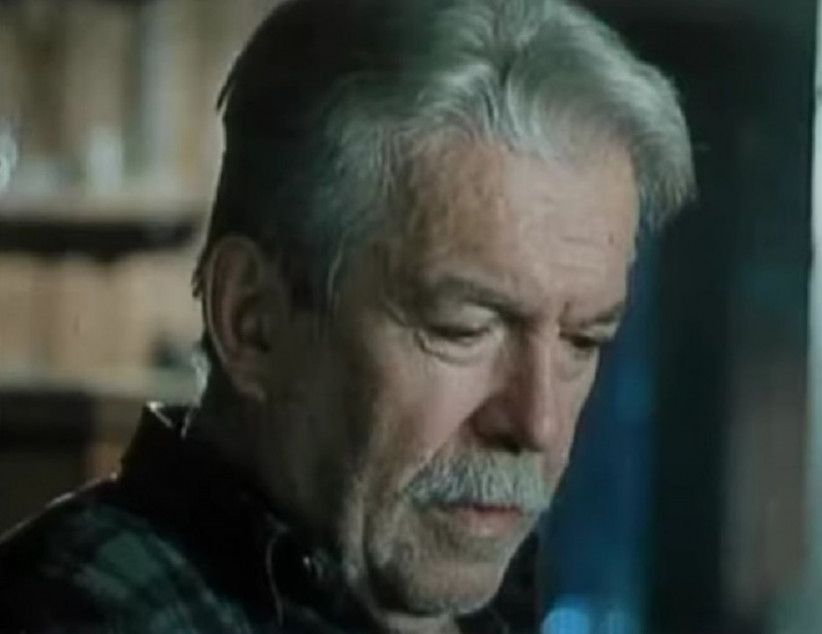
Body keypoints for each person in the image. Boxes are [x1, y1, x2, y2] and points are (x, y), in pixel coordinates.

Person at [0, 0, 694, 632]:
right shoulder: (88, 612)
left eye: (583, 340)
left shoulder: (489, 608)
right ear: (253, 320)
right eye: (464, 328)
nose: (538, 422)